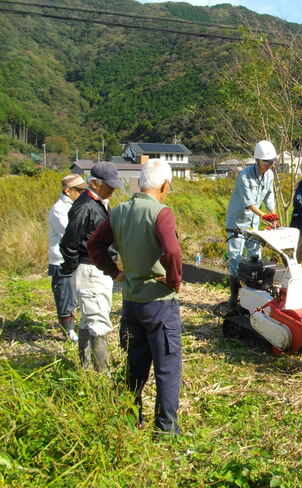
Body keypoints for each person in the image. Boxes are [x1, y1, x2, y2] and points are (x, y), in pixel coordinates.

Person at [88, 159, 183, 434]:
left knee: (135, 366)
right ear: (164, 186)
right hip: (159, 304)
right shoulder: (161, 212)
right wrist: (174, 280)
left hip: (131, 302)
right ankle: (166, 430)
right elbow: (173, 252)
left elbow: (94, 244)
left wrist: (115, 272)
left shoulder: (119, 211)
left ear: (141, 183)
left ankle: (131, 421)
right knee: (167, 368)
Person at [60, 162, 122, 372]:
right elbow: (69, 243)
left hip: (98, 268)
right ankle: (102, 373)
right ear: (94, 183)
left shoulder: (99, 202)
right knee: (98, 320)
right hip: (90, 269)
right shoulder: (85, 206)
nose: (112, 190)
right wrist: (72, 268)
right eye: (109, 186)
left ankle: (86, 367)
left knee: (88, 318)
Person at [224, 140, 278, 308]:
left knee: (255, 256)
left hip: (253, 223)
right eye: (266, 162)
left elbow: (270, 198)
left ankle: (252, 294)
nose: (269, 165)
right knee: (235, 257)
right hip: (238, 221)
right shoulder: (244, 175)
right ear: (257, 160)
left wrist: (274, 218)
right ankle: (234, 295)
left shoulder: (269, 175)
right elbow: (248, 202)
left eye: (271, 162)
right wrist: (265, 216)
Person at [48, 174, 88, 342]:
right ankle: (69, 332)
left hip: (75, 258)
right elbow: (70, 233)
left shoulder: (76, 205)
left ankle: (73, 327)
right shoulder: (59, 209)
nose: (83, 193)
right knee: (64, 295)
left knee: (74, 295)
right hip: (62, 260)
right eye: (79, 190)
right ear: (68, 190)